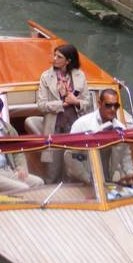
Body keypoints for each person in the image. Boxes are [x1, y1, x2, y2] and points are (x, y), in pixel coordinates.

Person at [35, 43, 91, 181]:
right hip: (55, 127)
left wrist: (76, 102)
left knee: (74, 164)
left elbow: (87, 102)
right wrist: (62, 104)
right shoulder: (46, 77)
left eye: (59, 57)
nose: (54, 58)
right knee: (53, 168)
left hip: (75, 128)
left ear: (68, 60)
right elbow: (41, 105)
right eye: (54, 55)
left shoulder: (80, 76)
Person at [66, 88, 133, 184]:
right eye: (108, 105)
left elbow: (125, 156)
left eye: (116, 106)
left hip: (109, 180)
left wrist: (130, 173)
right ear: (99, 104)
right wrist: (88, 179)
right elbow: (70, 156)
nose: (112, 109)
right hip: (82, 181)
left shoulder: (121, 129)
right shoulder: (81, 124)